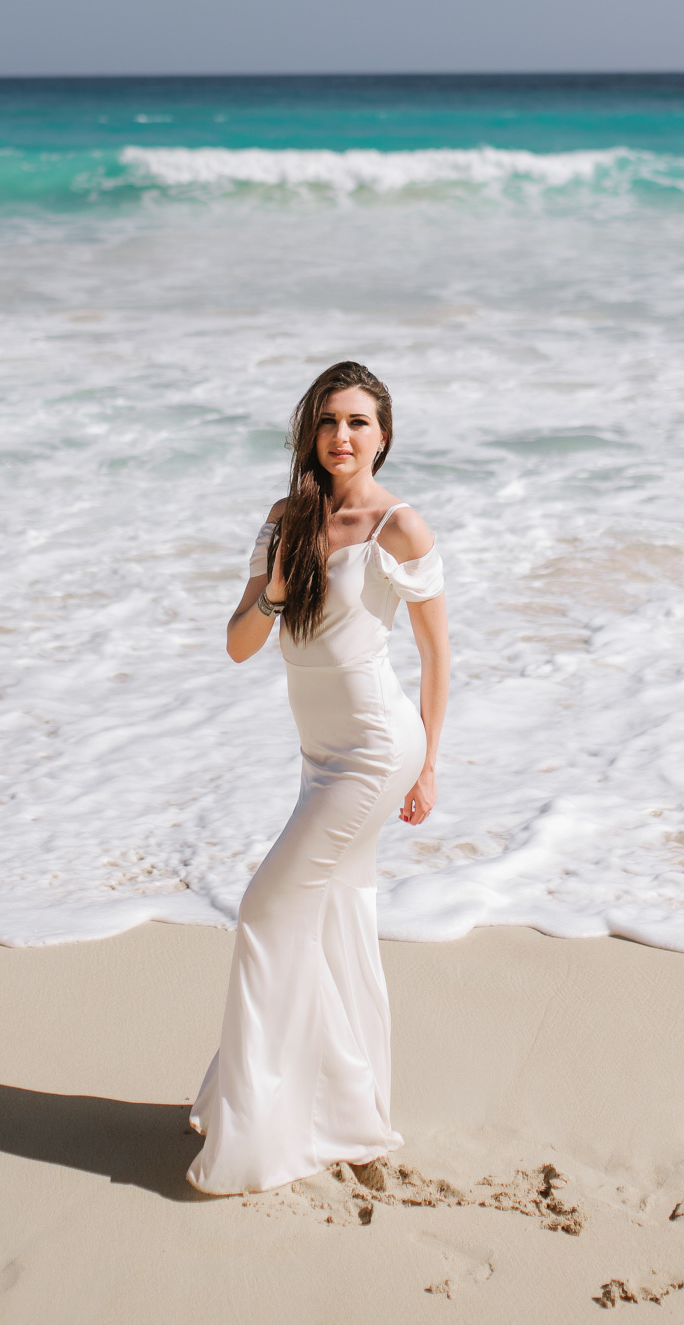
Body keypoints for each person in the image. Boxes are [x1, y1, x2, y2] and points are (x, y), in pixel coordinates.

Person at [187, 360, 449, 1196]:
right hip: (318, 751)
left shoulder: (397, 527)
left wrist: (430, 761)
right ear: (311, 431)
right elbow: (238, 645)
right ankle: (341, 1112)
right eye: (329, 420)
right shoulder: (285, 519)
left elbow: (435, 655)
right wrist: (269, 590)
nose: (342, 436)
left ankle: (261, 1121)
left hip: (375, 746)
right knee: (334, 917)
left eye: (358, 422)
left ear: (383, 434)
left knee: (267, 908)